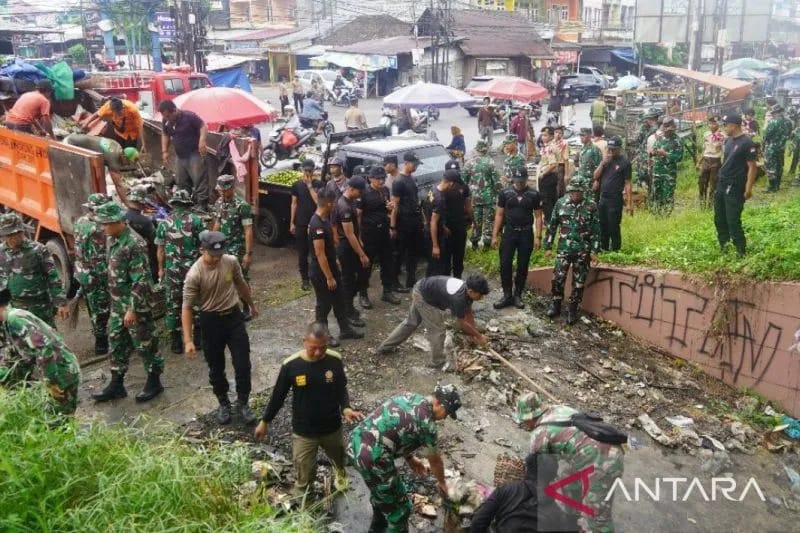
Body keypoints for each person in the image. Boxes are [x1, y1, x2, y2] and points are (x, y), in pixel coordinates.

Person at [255, 322, 363, 494]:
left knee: (339, 458)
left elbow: (341, 387)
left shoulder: (334, 359)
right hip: (303, 430)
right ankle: (304, 498)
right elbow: (278, 396)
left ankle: (340, 474)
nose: (319, 352)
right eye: (314, 348)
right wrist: (265, 421)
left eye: (323, 347)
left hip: (332, 426)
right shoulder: (291, 365)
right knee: (304, 471)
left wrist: (346, 408)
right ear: (304, 341)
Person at [348, 384, 462, 533]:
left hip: (355, 444)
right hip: (373, 458)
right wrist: (441, 483)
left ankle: (377, 527)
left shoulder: (409, 397)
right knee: (400, 510)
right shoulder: (428, 424)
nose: (445, 417)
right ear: (439, 403)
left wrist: (410, 459)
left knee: (381, 493)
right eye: (447, 413)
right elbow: (435, 460)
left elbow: (396, 432)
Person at [515, 392, 625, 533]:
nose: (523, 424)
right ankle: (572, 521)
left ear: (529, 418)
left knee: (596, 514)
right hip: (598, 451)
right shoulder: (558, 409)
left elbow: (541, 468)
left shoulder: (539, 435)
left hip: (604, 462)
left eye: (523, 420)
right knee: (568, 482)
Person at [182, 230, 258, 424]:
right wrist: (188, 340)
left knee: (242, 363)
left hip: (233, 317)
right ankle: (223, 403)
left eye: (219, 254)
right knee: (216, 366)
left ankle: (243, 403)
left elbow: (240, 284)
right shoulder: (194, 275)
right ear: (202, 250)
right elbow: (187, 308)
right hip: (211, 322)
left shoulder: (230, 261)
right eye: (212, 255)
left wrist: (250, 304)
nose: (217, 259)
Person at [91, 202, 164, 403]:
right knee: (116, 342)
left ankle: (154, 381)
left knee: (144, 343)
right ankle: (116, 383)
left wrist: (132, 309)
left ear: (119, 222)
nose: (103, 228)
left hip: (135, 305)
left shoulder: (134, 243)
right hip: (117, 305)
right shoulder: (112, 239)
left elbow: (140, 280)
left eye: (106, 224)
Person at [377, 274, 489, 368]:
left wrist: (473, 332)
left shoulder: (467, 290)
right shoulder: (459, 298)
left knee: (411, 322)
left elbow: (468, 311)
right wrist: (479, 336)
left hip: (422, 288)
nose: (482, 298)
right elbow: (462, 322)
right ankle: (438, 362)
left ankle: (385, 347)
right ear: (470, 291)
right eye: (480, 295)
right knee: (437, 330)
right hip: (423, 296)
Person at [0, 286, 80, 415]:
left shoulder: (14, 319)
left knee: (60, 423)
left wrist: (52, 383)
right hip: (53, 372)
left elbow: (44, 349)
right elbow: (14, 358)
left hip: (61, 373)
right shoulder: (6, 323)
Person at [469, 453, 577, 533]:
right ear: (552, 478)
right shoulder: (557, 513)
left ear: (525, 469)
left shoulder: (507, 489)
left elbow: (478, 522)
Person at [308, 190, 364, 346]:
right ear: (328, 203)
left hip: (331, 267)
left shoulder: (324, 219)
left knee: (339, 301)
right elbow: (320, 254)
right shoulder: (316, 224)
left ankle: (345, 329)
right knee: (324, 305)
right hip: (321, 272)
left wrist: (336, 263)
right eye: (333, 203)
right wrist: (329, 277)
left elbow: (329, 248)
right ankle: (323, 336)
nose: (334, 206)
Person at [155, 189, 205, 354]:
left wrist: (161, 269)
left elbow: (160, 250)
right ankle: (198, 338)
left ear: (174, 204)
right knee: (196, 301)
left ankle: (176, 342)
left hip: (172, 272)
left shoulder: (164, 222)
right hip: (193, 270)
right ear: (187, 204)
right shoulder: (197, 221)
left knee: (173, 304)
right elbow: (205, 247)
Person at [543, 183, 601, 325]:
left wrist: (594, 251)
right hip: (564, 249)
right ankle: (556, 305)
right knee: (558, 278)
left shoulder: (591, 206)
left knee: (579, 283)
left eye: (579, 191)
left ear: (583, 192)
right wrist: (548, 246)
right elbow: (552, 226)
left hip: (582, 251)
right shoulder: (560, 203)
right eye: (573, 191)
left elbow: (596, 231)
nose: (576, 194)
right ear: (570, 191)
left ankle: (572, 309)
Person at [0, 213, 67, 327]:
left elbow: (53, 277)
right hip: (13, 308)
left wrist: (61, 303)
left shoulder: (38, 250)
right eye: (8, 235)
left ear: (21, 232)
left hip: (40, 306)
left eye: (16, 234)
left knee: (46, 338)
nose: (12, 238)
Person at [492, 167, 543, 309]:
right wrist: (495, 235)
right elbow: (499, 215)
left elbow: (538, 216)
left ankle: (518, 294)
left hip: (526, 233)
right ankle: (507, 294)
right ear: (513, 179)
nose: (519, 183)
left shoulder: (534, 194)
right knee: (505, 263)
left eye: (522, 181)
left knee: (523, 265)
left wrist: (539, 237)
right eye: (517, 181)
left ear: (526, 179)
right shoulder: (505, 193)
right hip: (509, 232)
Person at [74, 193, 112, 355]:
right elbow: (103, 254)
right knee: (102, 308)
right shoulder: (98, 228)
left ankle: (100, 341)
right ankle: (102, 344)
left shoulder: (81, 222)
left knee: (93, 307)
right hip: (97, 273)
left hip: (82, 271)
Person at [715, 113, 758, 257]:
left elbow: (752, 167)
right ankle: (724, 247)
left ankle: (741, 251)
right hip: (722, 183)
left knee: (732, 219)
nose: (724, 127)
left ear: (733, 125)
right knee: (719, 218)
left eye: (726, 125)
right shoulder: (728, 141)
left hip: (735, 186)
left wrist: (748, 189)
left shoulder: (747, 143)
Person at [359, 165, 401, 306]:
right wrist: (359, 234)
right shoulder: (364, 193)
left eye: (383, 178)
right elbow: (358, 214)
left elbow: (386, 210)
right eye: (378, 179)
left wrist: (389, 210)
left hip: (383, 231)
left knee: (388, 262)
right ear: (371, 179)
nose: (381, 181)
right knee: (367, 265)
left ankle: (387, 291)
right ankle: (363, 293)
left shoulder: (385, 190)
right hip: (369, 233)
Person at [159, 100, 209, 209]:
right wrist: (165, 151)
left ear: (174, 110)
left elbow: (203, 126)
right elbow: (165, 134)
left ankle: (202, 205)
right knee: (181, 181)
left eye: (168, 116)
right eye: (164, 116)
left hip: (194, 153)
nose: (167, 118)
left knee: (199, 180)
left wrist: (202, 141)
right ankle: (184, 203)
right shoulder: (166, 121)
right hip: (180, 155)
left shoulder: (189, 116)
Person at [333, 176, 370, 326]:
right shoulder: (344, 206)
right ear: (352, 189)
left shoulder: (350, 201)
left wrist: (360, 241)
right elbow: (348, 234)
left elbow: (355, 229)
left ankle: (349, 308)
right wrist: (361, 254)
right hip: (346, 246)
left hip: (352, 244)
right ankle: (347, 313)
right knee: (347, 281)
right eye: (360, 191)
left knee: (357, 276)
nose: (361, 194)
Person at [64, 133, 140, 204]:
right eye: (128, 162)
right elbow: (118, 185)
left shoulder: (118, 146)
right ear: (123, 156)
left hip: (76, 138)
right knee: (80, 176)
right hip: (71, 144)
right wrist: (128, 203)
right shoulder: (113, 158)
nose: (127, 165)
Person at [390, 152, 426, 292]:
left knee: (414, 251)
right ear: (406, 163)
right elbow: (395, 206)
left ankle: (411, 278)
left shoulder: (412, 178)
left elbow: (416, 201)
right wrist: (393, 227)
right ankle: (394, 281)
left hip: (414, 220)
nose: (416, 166)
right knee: (399, 252)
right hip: (403, 222)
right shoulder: (398, 181)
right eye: (414, 164)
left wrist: (423, 220)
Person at [593, 136, 633, 251]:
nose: (611, 151)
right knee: (602, 225)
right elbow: (595, 176)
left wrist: (629, 203)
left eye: (614, 149)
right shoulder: (606, 161)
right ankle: (603, 248)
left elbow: (628, 183)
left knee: (613, 226)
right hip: (603, 198)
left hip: (615, 199)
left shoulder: (624, 162)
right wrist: (602, 163)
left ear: (619, 148)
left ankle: (615, 250)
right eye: (609, 149)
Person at [212, 174, 254, 281]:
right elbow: (218, 223)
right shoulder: (219, 203)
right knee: (226, 279)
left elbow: (248, 230)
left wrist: (248, 254)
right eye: (220, 190)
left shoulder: (242, 206)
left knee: (241, 279)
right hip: (223, 250)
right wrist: (211, 244)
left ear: (231, 188)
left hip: (237, 250)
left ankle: (244, 298)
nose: (221, 193)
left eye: (224, 190)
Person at [290, 159, 322, 291]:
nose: (308, 173)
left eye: (310, 170)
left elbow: (318, 202)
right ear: (302, 170)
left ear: (314, 170)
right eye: (306, 170)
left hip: (315, 223)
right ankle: (305, 280)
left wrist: (309, 186)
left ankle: (317, 277)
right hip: (301, 224)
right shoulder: (296, 185)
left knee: (316, 252)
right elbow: (294, 203)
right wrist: (292, 222)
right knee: (302, 253)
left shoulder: (318, 184)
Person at [464, 140, 500, 249]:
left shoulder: (469, 163)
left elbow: (464, 181)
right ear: (486, 149)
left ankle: (475, 242)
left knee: (476, 220)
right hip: (489, 197)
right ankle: (487, 244)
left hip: (475, 197)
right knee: (489, 220)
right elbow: (496, 182)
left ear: (476, 149)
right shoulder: (490, 162)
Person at [441, 160, 472, 279]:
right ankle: (445, 281)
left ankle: (457, 279)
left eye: (456, 171)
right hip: (446, 227)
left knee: (458, 255)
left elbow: (468, 206)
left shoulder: (464, 187)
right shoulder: (442, 187)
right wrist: (442, 226)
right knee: (446, 257)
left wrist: (471, 220)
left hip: (459, 226)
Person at [426, 169, 457, 276]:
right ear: (451, 183)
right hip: (435, 235)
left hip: (431, 230)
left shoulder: (434, 188)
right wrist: (435, 245)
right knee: (437, 266)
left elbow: (426, 210)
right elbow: (433, 222)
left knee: (433, 263)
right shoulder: (439, 199)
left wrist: (443, 226)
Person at [649, 116, 683, 215]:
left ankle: (667, 215)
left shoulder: (677, 140)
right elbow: (654, 150)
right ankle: (657, 214)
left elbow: (679, 157)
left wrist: (665, 154)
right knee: (657, 194)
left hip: (669, 173)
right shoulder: (660, 138)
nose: (666, 131)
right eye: (664, 128)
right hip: (657, 171)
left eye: (668, 128)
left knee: (668, 194)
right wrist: (653, 152)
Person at [124, 186, 158, 281]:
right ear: (142, 203)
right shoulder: (145, 221)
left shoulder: (121, 217)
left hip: (124, 257)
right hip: (142, 260)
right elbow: (154, 243)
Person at [762, 104, 793, 193]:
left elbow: (766, 136)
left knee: (770, 166)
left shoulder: (773, 122)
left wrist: (763, 145)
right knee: (779, 166)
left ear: (775, 112)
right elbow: (789, 134)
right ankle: (777, 185)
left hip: (771, 147)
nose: (772, 114)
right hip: (781, 147)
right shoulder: (788, 122)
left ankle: (772, 187)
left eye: (772, 113)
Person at [697, 116, 726, 208]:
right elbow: (704, 149)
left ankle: (710, 204)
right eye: (710, 123)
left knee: (713, 184)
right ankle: (702, 202)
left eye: (714, 123)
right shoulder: (706, 134)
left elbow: (724, 151)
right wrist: (699, 162)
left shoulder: (723, 136)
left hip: (715, 161)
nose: (712, 125)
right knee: (701, 182)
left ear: (718, 124)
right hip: (706, 160)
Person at [537, 126, 562, 222]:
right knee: (552, 199)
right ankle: (553, 220)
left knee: (546, 201)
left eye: (545, 135)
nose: (543, 137)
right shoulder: (552, 146)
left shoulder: (549, 148)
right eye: (542, 135)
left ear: (551, 136)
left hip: (548, 176)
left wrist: (543, 174)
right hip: (552, 176)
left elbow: (553, 164)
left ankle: (549, 221)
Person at [570, 127, 602, 196]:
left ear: (590, 136)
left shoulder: (594, 149)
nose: (581, 137)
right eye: (580, 135)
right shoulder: (582, 149)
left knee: (591, 203)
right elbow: (579, 165)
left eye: (583, 135)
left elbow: (599, 166)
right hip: (581, 182)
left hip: (590, 182)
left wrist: (597, 181)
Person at [635, 109, 660, 188]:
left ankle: (649, 190)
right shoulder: (645, 127)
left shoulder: (656, 128)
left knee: (648, 174)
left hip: (651, 154)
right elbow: (638, 139)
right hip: (643, 154)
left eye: (649, 119)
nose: (647, 120)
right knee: (641, 172)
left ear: (653, 119)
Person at [553, 126, 571, 195]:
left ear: (562, 134)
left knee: (559, 187)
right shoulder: (551, 143)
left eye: (560, 133)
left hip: (560, 167)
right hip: (551, 167)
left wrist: (566, 174)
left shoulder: (564, 144)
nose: (557, 134)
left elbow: (566, 159)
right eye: (556, 132)